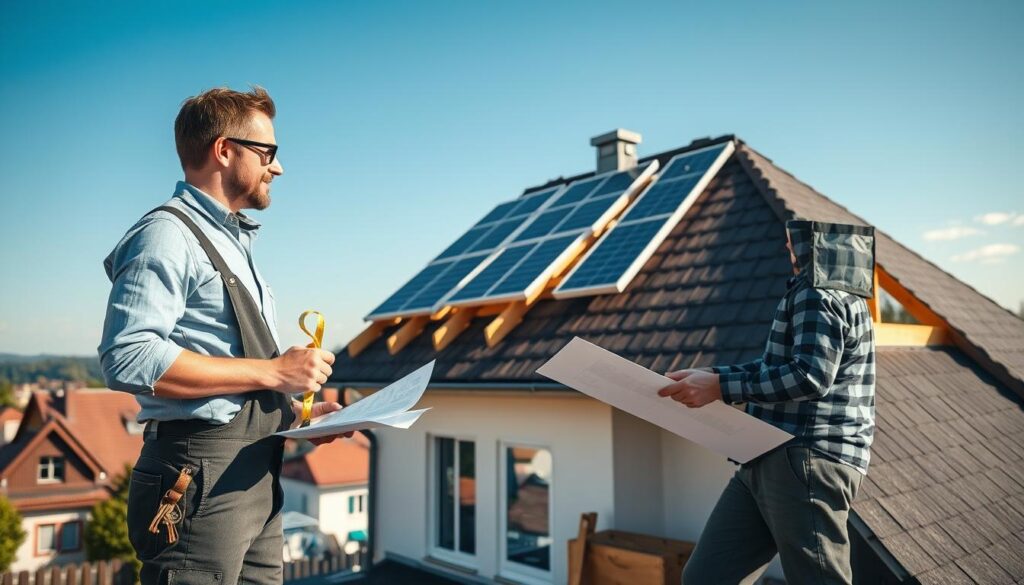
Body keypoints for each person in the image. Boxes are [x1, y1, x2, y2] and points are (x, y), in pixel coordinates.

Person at [99, 86, 350, 584]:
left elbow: (231, 375)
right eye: (268, 153)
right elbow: (127, 356)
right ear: (224, 150)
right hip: (198, 480)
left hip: (255, 473)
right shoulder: (167, 234)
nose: (277, 168)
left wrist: (298, 416)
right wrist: (277, 370)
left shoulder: (232, 240)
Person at [659, 220, 876, 585]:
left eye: (792, 244)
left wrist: (721, 388)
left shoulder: (817, 294)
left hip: (805, 457)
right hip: (768, 454)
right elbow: (777, 368)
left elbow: (810, 376)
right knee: (705, 577)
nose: (787, 250)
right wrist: (711, 375)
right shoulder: (832, 294)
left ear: (811, 246)